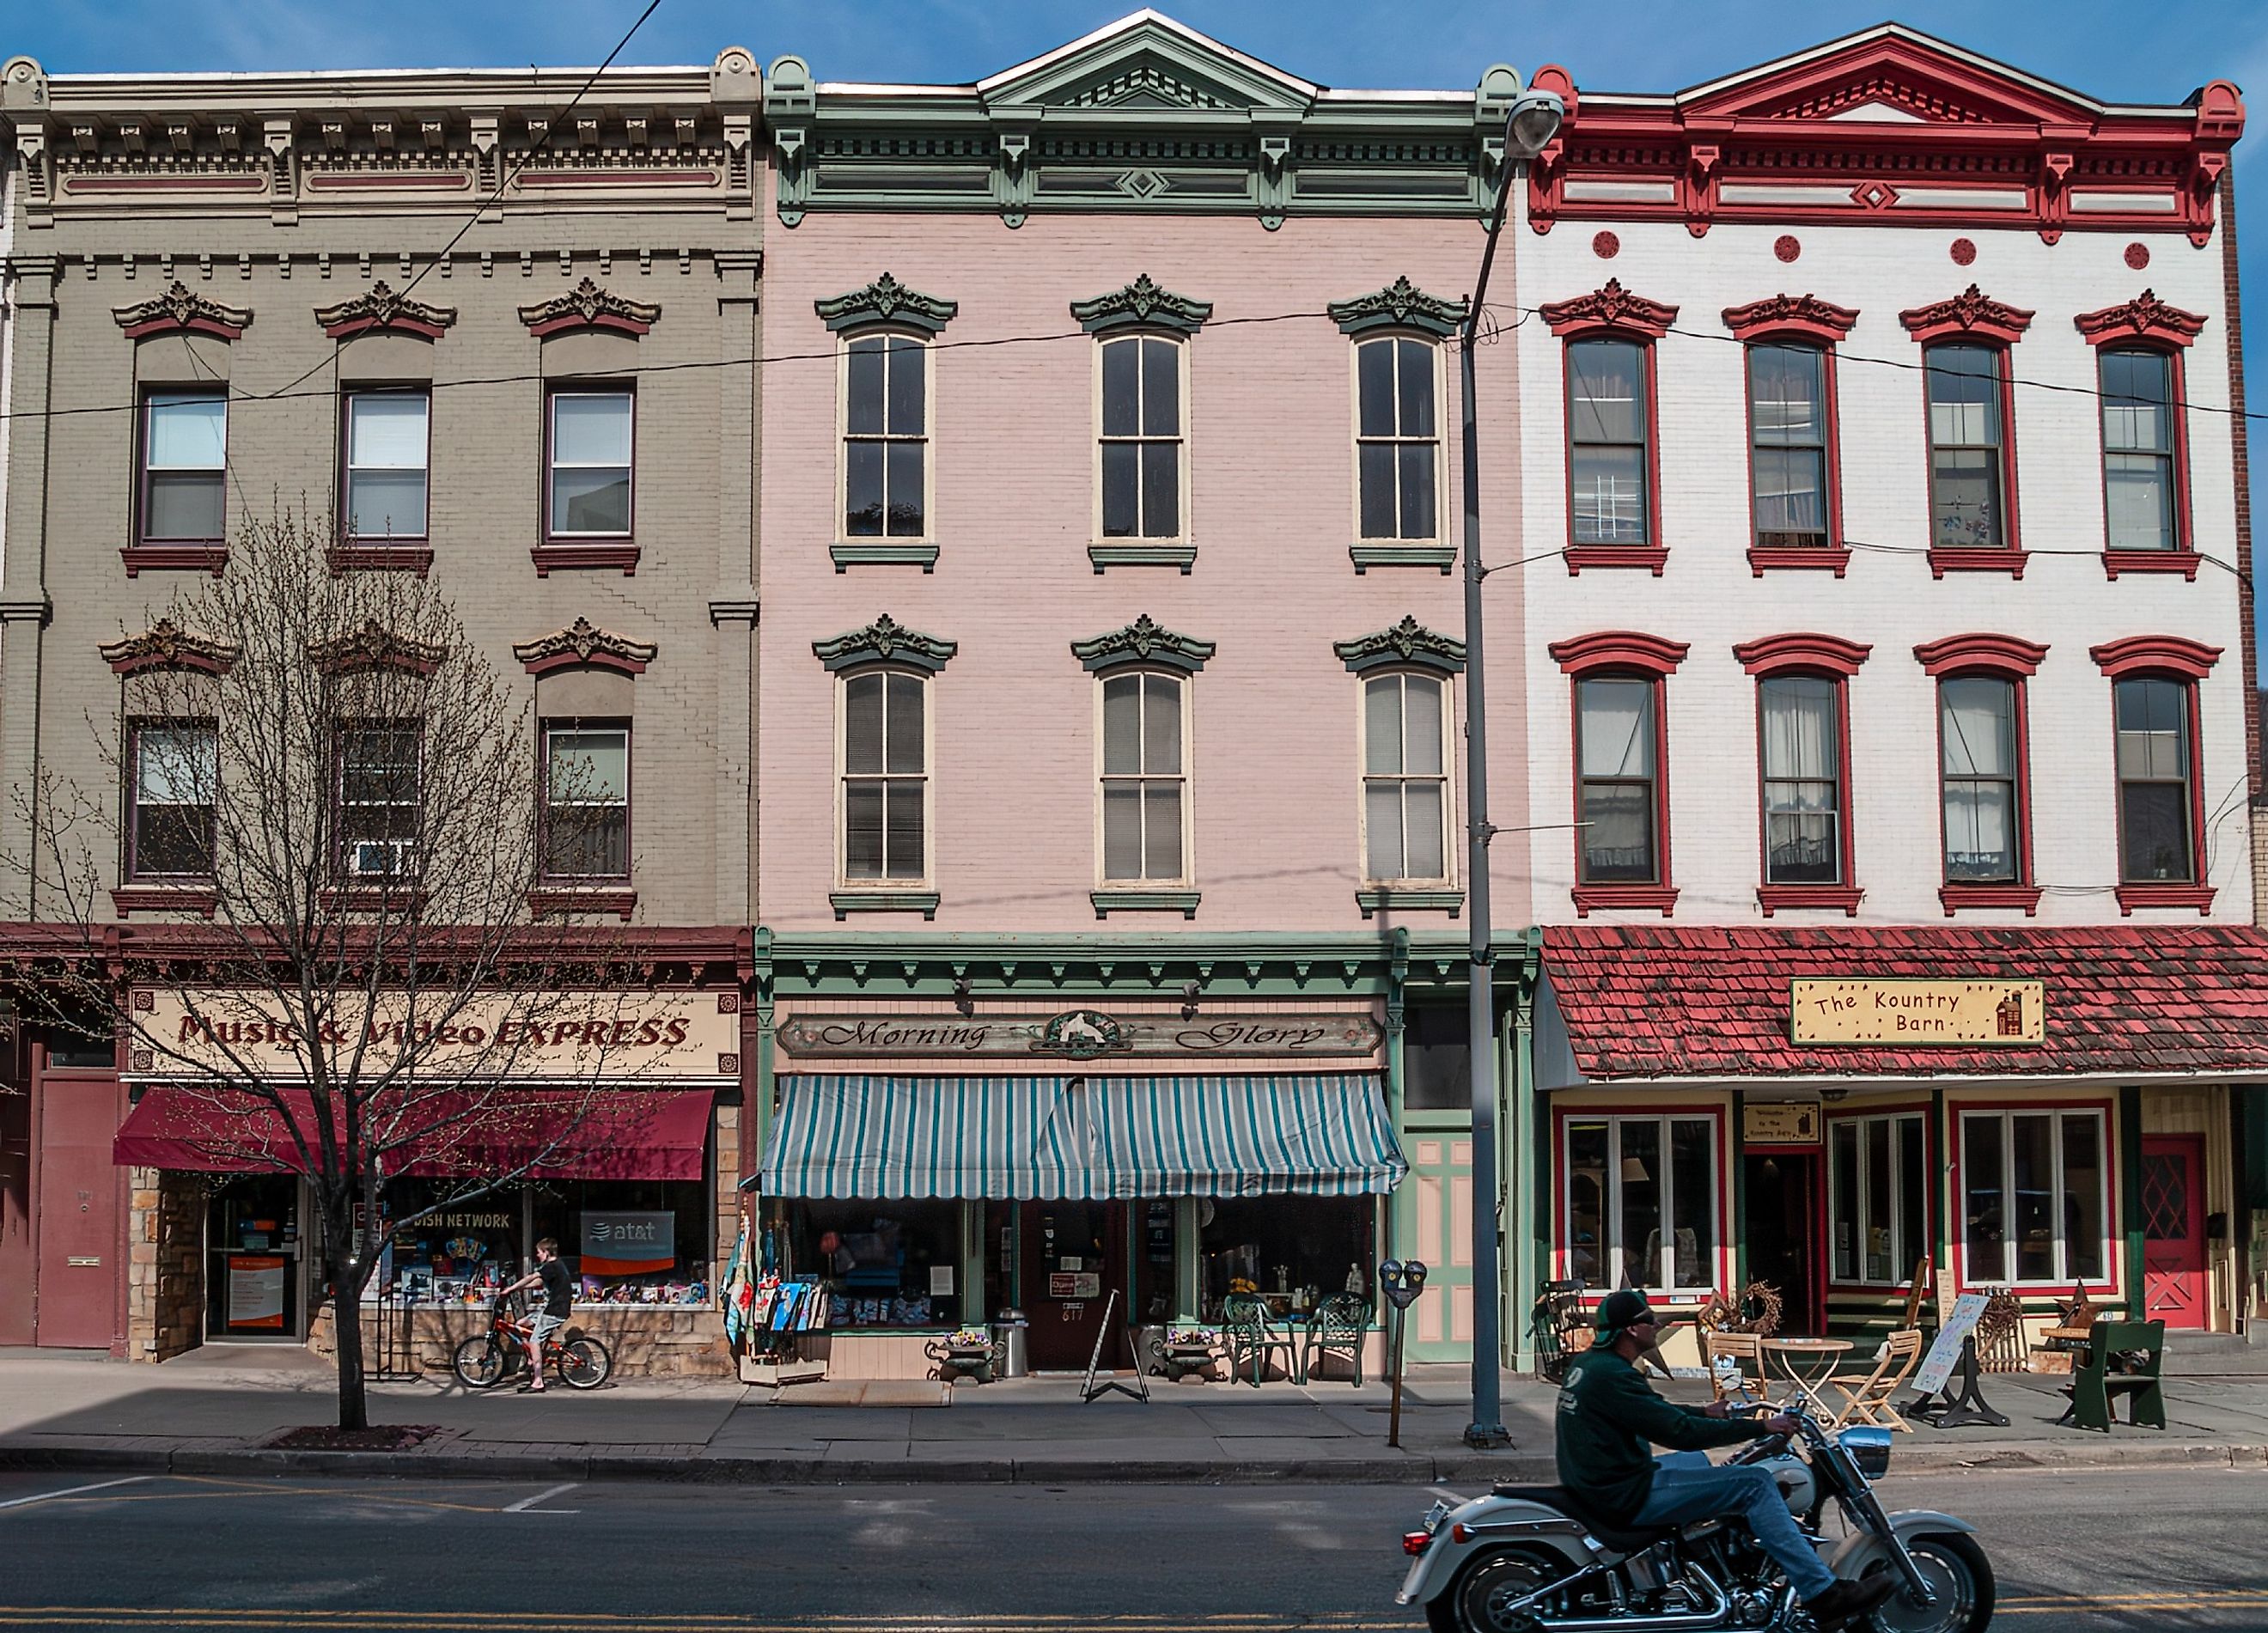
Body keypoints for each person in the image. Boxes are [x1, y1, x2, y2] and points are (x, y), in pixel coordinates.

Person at [1555, 1289, 1896, 1629]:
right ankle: (1823, 1594)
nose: (1656, 1325)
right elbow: (1680, 1433)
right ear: (1631, 1329)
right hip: (1623, 1494)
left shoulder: (1594, 1364)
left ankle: (1711, 1567)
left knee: (1701, 1464)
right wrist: (1760, 1427)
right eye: (1649, 1319)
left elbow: (1651, 1411)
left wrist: (1706, 1411)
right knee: (1756, 1484)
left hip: (1604, 1483)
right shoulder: (1615, 1374)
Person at [499, 1238, 573, 1394]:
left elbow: (532, 1277)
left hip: (554, 1311)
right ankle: (533, 1357)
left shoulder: (552, 1266)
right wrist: (518, 1289)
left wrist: (510, 1288)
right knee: (520, 1324)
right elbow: (538, 1282)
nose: (537, 1255)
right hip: (551, 1309)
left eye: (539, 1252)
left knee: (535, 1341)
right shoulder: (556, 1266)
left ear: (546, 1252)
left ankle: (538, 1381)